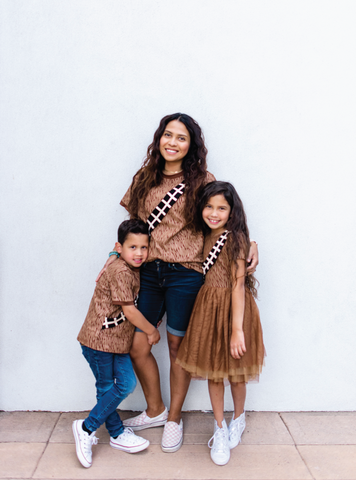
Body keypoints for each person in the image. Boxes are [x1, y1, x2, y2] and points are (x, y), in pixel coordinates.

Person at [98, 113, 259, 453]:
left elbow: (222, 218)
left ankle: (174, 418)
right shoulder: (145, 177)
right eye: (167, 135)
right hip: (149, 271)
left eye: (181, 137)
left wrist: (250, 243)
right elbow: (132, 226)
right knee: (138, 344)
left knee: (176, 346)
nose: (172, 142)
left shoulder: (202, 179)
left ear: (191, 145)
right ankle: (155, 409)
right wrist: (114, 257)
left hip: (187, 272)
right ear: (159, 139)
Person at [176, 181, 265, 466]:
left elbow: (238, 286)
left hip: (235, 310)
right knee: (214, 371)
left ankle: (238, 418)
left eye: (222, 208)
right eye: (209, 206)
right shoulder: (200, 234)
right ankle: (219, 426)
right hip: (208, 308)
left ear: (232, 211)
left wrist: (237, 330)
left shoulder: (235, 238)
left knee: (237, 372)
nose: (214, 213)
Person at [73, 219, 160, 468]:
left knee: (124, 384)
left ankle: (115, 433)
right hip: (98, 341)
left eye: (144, 247)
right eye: (133, 247)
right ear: (119, 248)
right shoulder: (121, 271)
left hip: (116, 342)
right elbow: (130, 312)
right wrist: (151, 331)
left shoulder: (132, 268)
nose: (140, 253)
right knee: (109, 387)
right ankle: (88, 428)